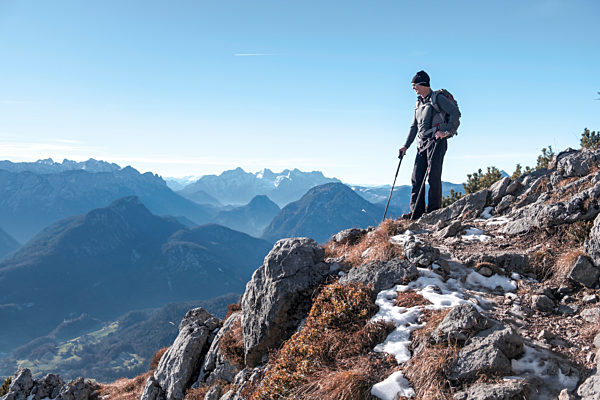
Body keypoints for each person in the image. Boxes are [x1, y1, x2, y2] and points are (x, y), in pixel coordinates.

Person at [398, 70, 461, 219]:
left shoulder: (437, 98)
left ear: (423, 84)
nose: (413, 88)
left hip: (437, 141)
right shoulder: (418, 103)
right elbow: (414, 127)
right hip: (423, 143)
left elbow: (455, 113)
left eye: (415, 85)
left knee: (433, 177)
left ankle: (433, 213)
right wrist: (405, 145)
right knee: (416, 177)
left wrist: (445, 132)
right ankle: (416, 213)